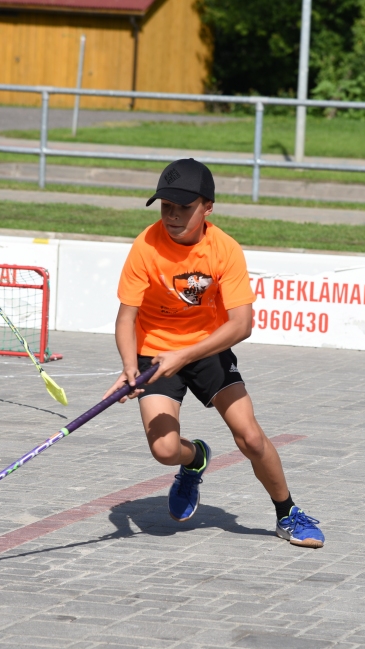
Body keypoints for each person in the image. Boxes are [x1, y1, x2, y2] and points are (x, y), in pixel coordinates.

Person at [104, 158, 325, 548]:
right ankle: (194, 460)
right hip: (155, 352)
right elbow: (126, 317)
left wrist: (187, 354)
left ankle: (287, 513)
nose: (172, 216)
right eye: (165, 206)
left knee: (250, 438)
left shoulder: (224, 250)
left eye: (183, 208)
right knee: (164, 449)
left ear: (207, 207)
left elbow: (241, 325)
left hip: (208, 347)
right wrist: (127, 368)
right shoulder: (145, 246)